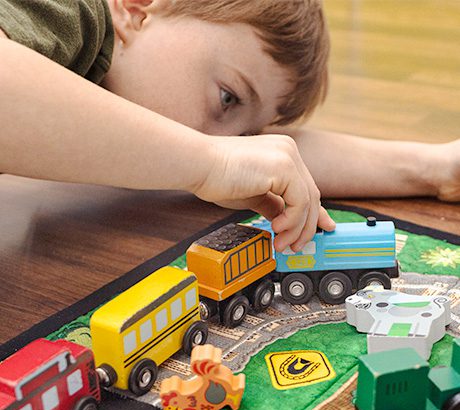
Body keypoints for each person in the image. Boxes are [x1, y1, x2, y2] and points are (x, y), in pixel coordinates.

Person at [0, 0, 458, 255]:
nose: (224, 141)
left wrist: (433, 167)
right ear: (137, 9)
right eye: (227, 98)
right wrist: (209, 163)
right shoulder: (73, 9)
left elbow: (271, 158)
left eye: (242, 134)